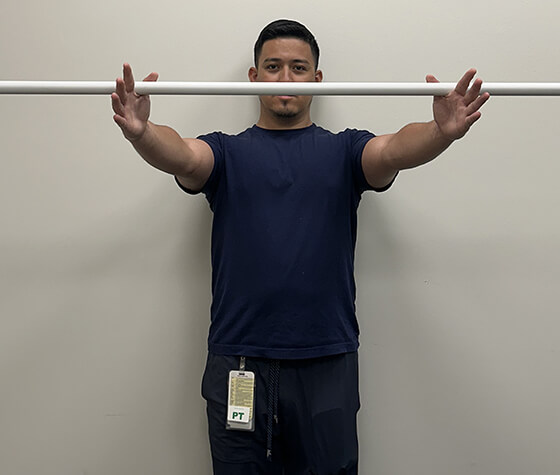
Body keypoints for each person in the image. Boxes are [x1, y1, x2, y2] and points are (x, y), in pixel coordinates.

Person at [111, 19, 489, 475]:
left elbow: (392, 151)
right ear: (253, 78)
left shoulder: (345, 151)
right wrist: (142, 133)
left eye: (297, 68)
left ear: (316, 79)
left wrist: (440, 131)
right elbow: (182, 154)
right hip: (239, 360)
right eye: (272, 67)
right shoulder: (226, 154)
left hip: (326, 361)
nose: (285, 78)